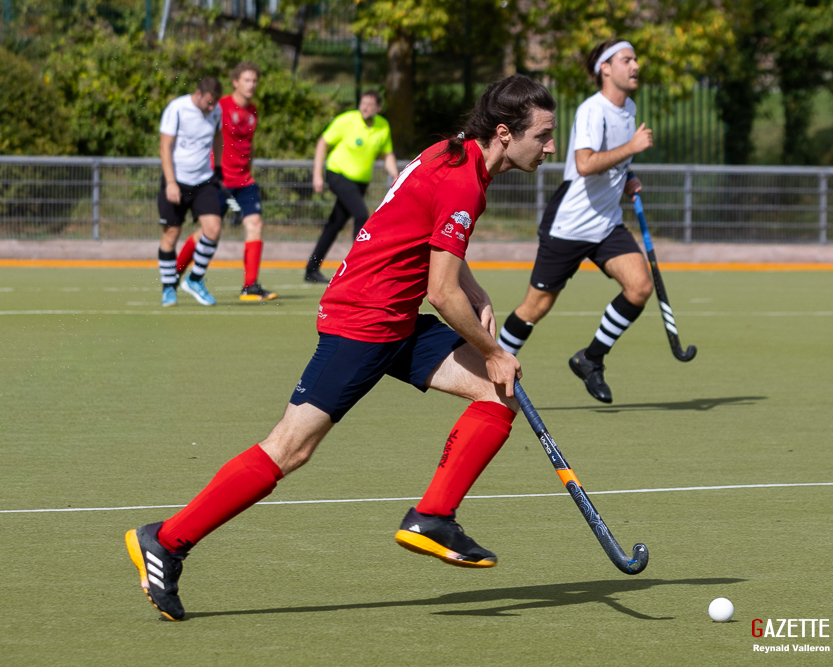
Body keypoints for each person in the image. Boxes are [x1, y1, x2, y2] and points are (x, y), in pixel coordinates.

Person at [126, 75, 558, 621]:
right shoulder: (463, 181)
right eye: (543, 135)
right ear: (504, 133)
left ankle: (433, 517)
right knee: (290, 449)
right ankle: (166, 540)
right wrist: (493, 348)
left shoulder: (455, 155)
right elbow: (439, 291)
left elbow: (427, 244)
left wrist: (475, 289)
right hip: (365, 320)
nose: (549, 147)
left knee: (500, 395)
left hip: (394, 317)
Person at [497, 39, 654, 404]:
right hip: (571, 222)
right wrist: (631, 148)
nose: (635, 66)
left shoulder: (627, 108)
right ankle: (489, 366)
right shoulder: (591, 110)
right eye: (627, 60)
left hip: (607, 222)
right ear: (605, 68)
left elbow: (612, 157)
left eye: (635, 59)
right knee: (536, 307)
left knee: (639, 287)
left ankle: (590, 359)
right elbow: (584, 163)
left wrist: (627, 174)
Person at [174, 62, 278, 301]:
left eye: (254, 81)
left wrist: (248, 171)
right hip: (218, 180)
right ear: (235, 82)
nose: (251, 85)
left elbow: (249, 146)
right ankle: (175, 274)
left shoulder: (252, 111)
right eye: (247, 80)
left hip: (244, 181)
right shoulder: (220, 106)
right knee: (205, 233)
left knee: (255, 225)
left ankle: (250, 287)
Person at [305, 90, 399, 283]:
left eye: (370, 105)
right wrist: (317, 175)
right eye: (362, 103)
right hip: (337, 174)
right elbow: (323, 142)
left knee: (334, 225)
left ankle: (311, 269)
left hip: (360, 183)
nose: (365, 107)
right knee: (361, 215)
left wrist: (396, 175)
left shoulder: (383, 126)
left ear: (378, 108)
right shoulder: (346, 120)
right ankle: (359, 269)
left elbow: (387, 154)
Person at [157, 77, 225, 307]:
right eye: (208, 102)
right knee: (171, 234)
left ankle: (195, 279)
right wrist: (170, 182)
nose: (211, 107)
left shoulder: (216, 111)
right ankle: (168, 287)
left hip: (203, 181)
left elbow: (218, 137)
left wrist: (217, 169)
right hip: (176, 180)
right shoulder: (177, 109)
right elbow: (165, 147)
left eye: (214, 102)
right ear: (197, 94)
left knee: (213, 229)